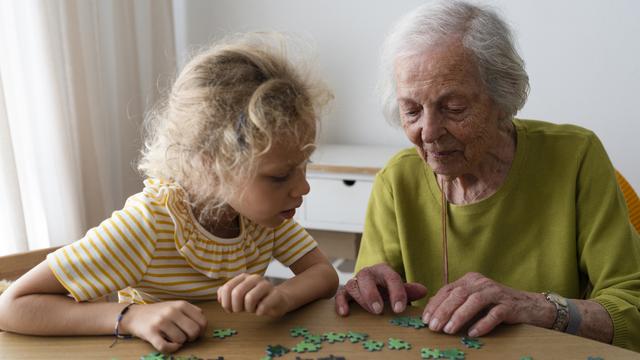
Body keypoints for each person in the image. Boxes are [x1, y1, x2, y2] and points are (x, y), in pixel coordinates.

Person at [0, 33, 338, 353]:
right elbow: (12, 306)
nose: (303, 187)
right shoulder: (148, 225)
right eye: (279, 176)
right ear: (209, 165)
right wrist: (130, 317)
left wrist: (283, 296)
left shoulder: (262, 217)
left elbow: (323, 274)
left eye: (303, 164)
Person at [334, 0, 640, 352]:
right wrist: (365, 294)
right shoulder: (397, 181)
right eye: (412, 110)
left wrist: (536, 308)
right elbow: (372, 323)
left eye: (454, 108)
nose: (429, 132)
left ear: (503, 98)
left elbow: (631, 311)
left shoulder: (576, 158)